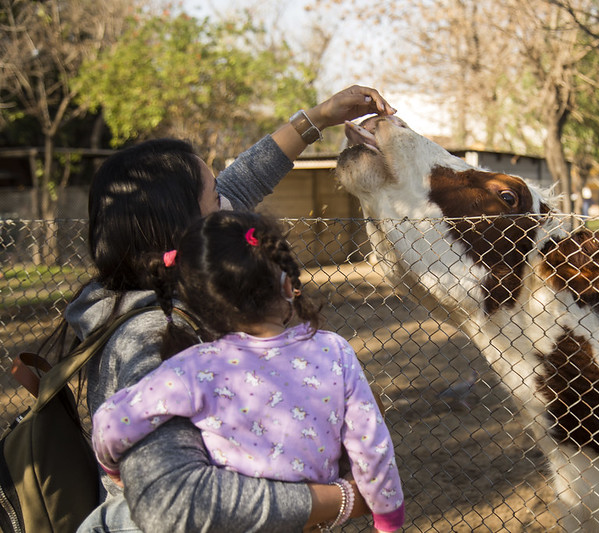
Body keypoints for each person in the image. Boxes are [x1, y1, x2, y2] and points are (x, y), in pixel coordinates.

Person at [57, 85, 397, 533]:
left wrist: (319, 117)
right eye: (216, 197)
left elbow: (242, 181)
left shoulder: (163, 289)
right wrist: (345, 499)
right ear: (186, 227)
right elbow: (174, 504)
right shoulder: (154, 338)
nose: (230, 204)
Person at [92, 210, 405, 532]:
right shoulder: (334, 350)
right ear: (287, 284)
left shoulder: (192, 367)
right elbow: (370, 442)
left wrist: (112, 468)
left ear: (200, 305)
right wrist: (388, 518)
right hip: (310, 521)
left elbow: (111, 422)